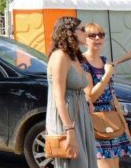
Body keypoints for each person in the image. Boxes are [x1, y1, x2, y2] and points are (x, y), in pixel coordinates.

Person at [47, 16, 97, 167]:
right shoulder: (60, 56)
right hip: (67, 119)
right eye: (83, 30)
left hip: (80, 115)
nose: (86, 33)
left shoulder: (74, 56)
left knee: (86, 163)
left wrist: (86, 101)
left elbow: (77, 86)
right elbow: (58, 97)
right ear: (70, 32)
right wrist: (70, 129)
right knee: (75, 163)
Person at [82, 22, 130, 166]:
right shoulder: (82, 62)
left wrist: (124, 125)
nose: (98, 38)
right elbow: (90, 96)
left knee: (115, 164)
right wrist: (106, 75)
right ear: (84, 39)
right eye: (92, 35)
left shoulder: (104, 61)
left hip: (112, 118)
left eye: (101, 35)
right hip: (96, 120)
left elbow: (112, 94)